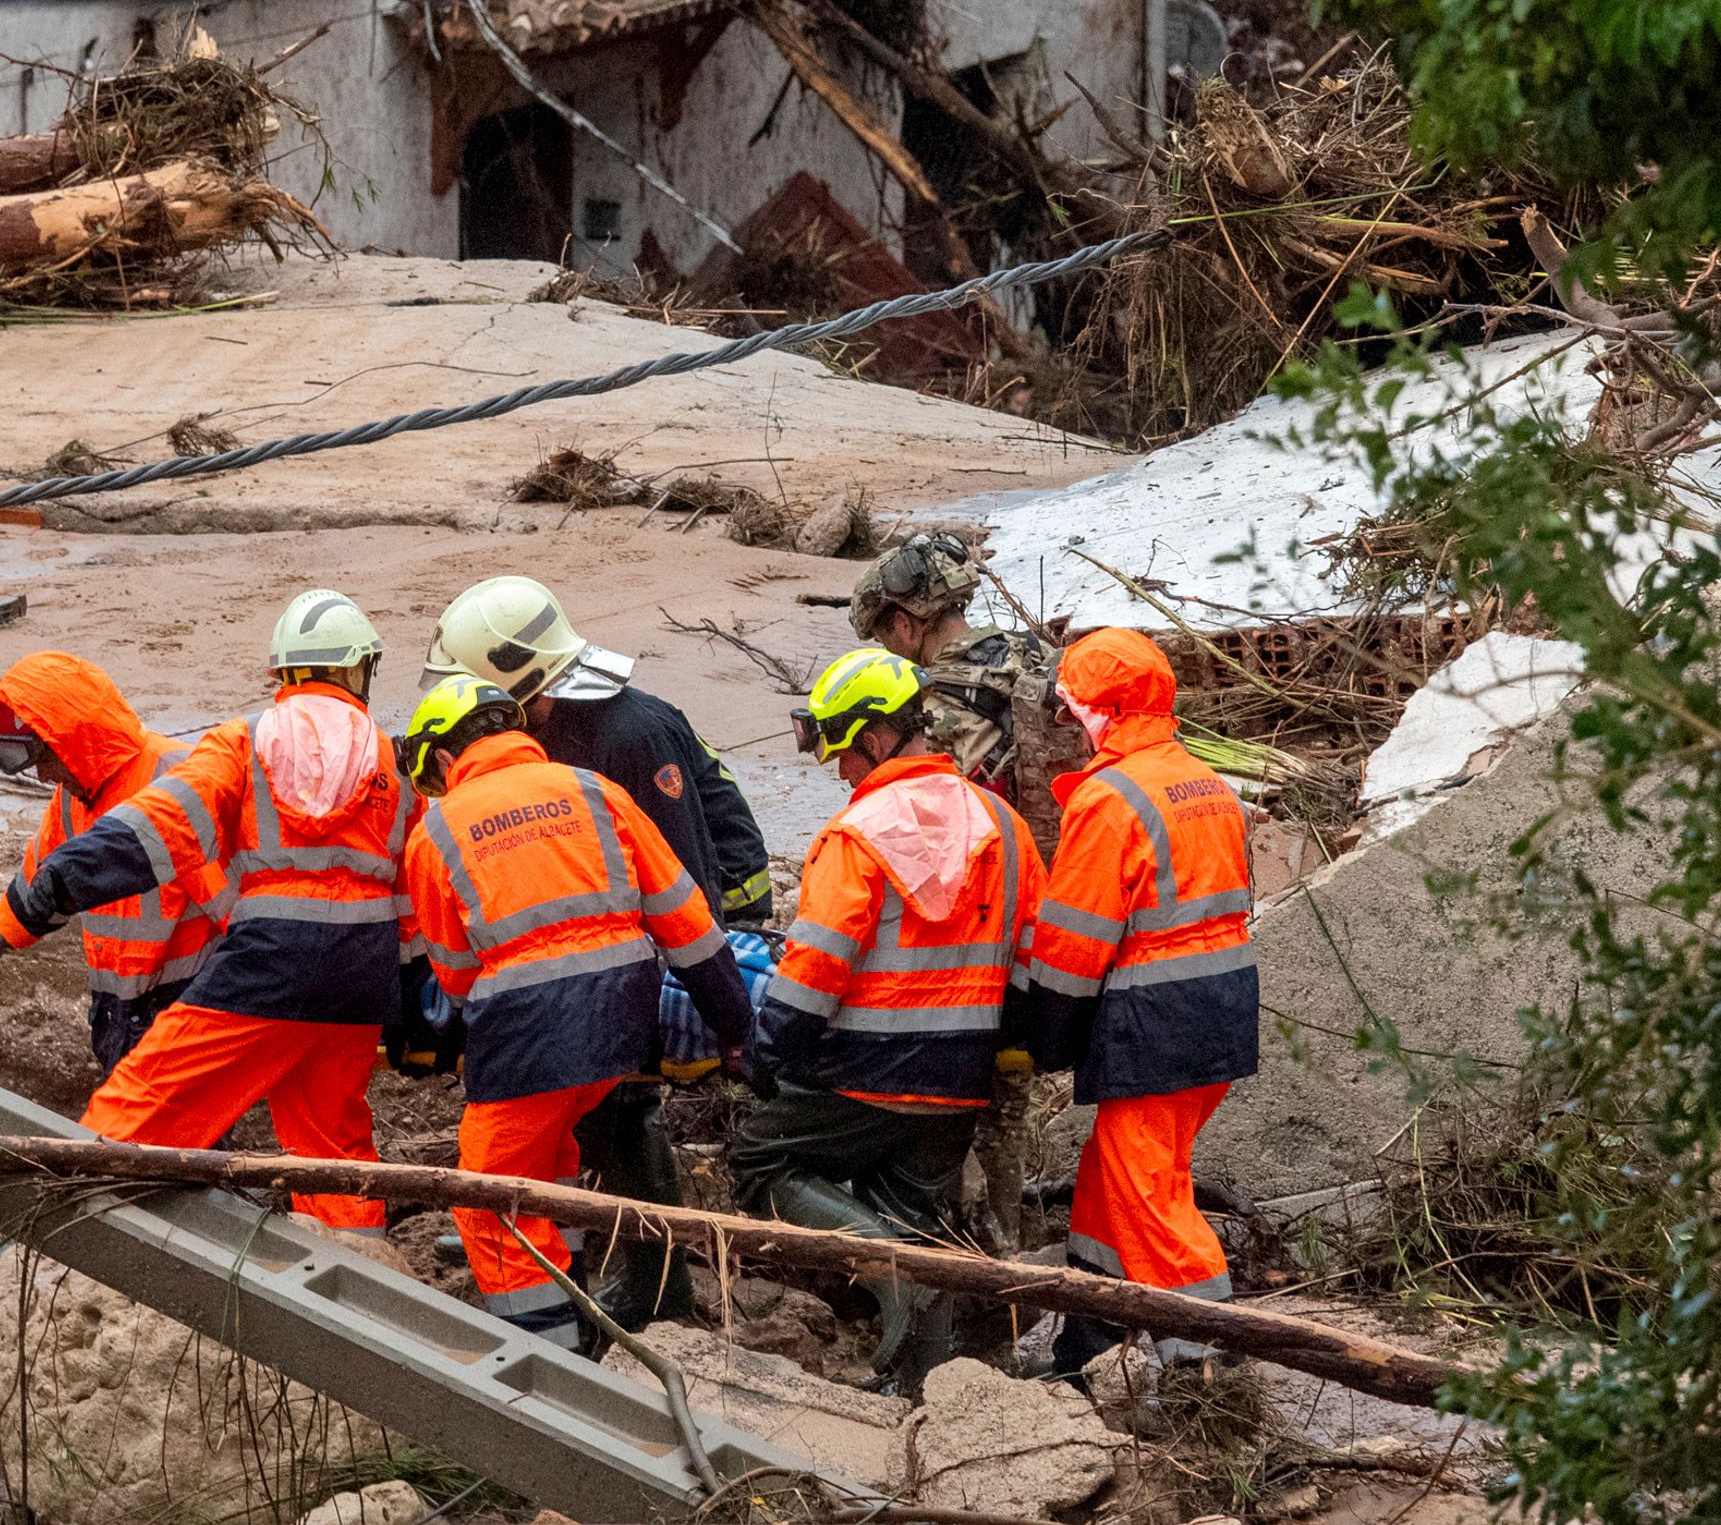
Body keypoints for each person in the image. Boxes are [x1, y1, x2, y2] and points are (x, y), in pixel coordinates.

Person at [0, 588, 406, 1232]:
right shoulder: (390, 762)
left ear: (284, 673)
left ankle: (38, 1236)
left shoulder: (244, 742)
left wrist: (67, 878)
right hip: (362, 976)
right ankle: (366, 1283)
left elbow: (163, 825)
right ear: (358, 670)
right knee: (332, 1145)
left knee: (140, 1103)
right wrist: (414, 999)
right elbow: (412, 887)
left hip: (273, 962)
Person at [427, 573, 773, 1325]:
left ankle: (658, 1291)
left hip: (657, 957)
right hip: (620, 963)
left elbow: (687, 883)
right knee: (591, 1121)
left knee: (626, 1113)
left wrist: (722, 1017)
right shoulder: (562, 737)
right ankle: (597, 1268)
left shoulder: (628, 732)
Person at [730, 645, 1048, 1390]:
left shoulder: (858, 833)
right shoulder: (1003, 823)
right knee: (916, 1218)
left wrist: (766, 1052)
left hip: (865, 1070)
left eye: (841, 752)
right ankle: (924, 1388)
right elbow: (1031, 957)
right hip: (963, 1074)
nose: (840, 770)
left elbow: (816, 966)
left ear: (874, 739)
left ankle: (889, 1276)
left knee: (759, 1158)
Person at [1004, 627, 1259, 1373]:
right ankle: (1088, 1336)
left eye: (1073, 710)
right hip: (1220, 1014)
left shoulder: (1109, 800)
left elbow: (1071, 946)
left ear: (1105, 710)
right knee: (1115, 1175)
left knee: (1148, 1192)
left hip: (1157, 1024)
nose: (1069, 727)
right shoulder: (1207, 782)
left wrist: (1038, 1036)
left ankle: (1209, 1366)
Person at [0, 650, 222, 1078]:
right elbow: (46, 868)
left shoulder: (177, 782)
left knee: (179, 1135)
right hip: (119, 1009)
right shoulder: (76, 797)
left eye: (44, 760)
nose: (43, 777)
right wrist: (11, 921)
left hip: (184, 1008)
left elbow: (237, 908)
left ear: (72, 741)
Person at [852, 528, 1066, 840]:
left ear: (903, 626)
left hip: (1010, 866)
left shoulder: (928, 713)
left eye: (885, 640)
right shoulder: (1038, 652)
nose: (889, 651)